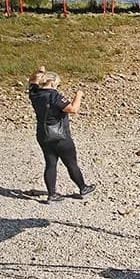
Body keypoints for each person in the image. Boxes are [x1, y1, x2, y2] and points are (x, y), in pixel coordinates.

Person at [28, 65, 96, 203]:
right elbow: (73, 109)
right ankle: (83, 187)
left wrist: (38, 72)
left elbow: (32, 81)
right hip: (60, 136)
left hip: (43, 135)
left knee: (50, 163)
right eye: (57, 83)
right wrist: (79, 95)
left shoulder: (35, 93)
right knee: (71, 163)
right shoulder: (54, 96)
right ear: (52, 82)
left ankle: (52, 194)